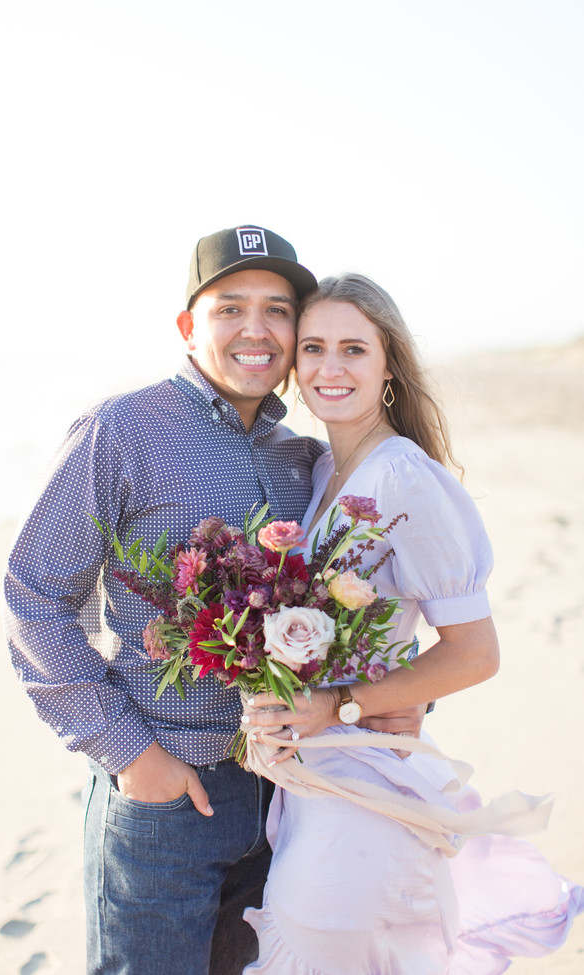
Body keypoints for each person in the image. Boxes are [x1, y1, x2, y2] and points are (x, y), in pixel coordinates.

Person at [2, 227, 421, 975]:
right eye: (230, 307)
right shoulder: (122, 431)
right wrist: (132, 757)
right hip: (165, 800)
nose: (255, 329)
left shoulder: (304, 458)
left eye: (277, 309)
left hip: (290, 801)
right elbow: (34, 596)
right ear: (189, 326)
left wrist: (383, 700)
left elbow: (362, 605)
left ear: (297, 334)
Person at [241, 273, 584, 974]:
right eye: (313, 347)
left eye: (353, 349)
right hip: (321, 779)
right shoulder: (322, 472)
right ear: (295, 366)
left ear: (388, 363)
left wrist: (346, 703)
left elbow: (475, 651)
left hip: (362, 789)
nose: (330, 367)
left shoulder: (403, 477)